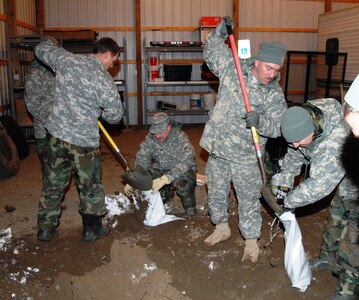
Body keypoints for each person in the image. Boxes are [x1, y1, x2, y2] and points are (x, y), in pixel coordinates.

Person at [200, 16, 288, 262]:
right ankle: (221, 227)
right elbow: (211, 50)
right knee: (216, 191)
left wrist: (260, 121)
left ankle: (251, 241)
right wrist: (219, 32)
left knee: (248, 199)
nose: (272, 74)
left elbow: (279, 128)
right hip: (219, 147)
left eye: (277, 70)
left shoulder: (274, 95)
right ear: (257, 61)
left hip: (246, 156)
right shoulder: (234, 67)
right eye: (268, 68)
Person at [34, 36, 124, 242]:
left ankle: (46, 229)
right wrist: (96, 110)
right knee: (90, 186)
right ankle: (91, 230)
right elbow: (115, 116)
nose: (112, 65)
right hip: (84, 143)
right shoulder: (104, 80)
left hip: (56, 136)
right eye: (114, 61)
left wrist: (50, 40)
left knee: (53, 183)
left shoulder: (66, 60)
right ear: (107, 54)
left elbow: (41, 49)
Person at [278, 97, 359, 300]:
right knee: (336, 215)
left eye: (298, 141)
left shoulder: (334, 142)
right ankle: (327, 257)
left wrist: (289, 201)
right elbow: (294, 153)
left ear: (312, 132)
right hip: (346, 170)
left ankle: (348, 287)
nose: (295, 145)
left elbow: (318, 186)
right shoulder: (303, 119)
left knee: (354, 235)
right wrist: (285, 182)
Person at [125, 112, 197, 217]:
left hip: (179, 170)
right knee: (143, 180)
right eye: (155, 133)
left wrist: (166, 179)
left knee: (184, 185)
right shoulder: (150, 138)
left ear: (169, 127)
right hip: (160, 168)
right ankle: (164, 195)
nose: (157, 136)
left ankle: (190, 210)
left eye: (160, 132)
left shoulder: (180, 137)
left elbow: (187, 160)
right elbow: (142, 158)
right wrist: (134, 179)